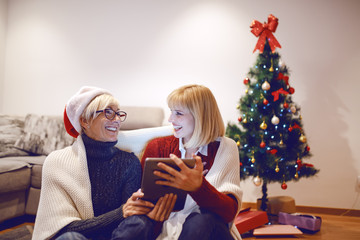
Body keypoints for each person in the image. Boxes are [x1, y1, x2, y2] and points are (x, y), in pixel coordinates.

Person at [32, 86, 176, 240]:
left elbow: (131, 219)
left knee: (139, 224)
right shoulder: (56, 162)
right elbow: (61, 230)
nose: (117, 120)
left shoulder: (128, 163)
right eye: (108, 112)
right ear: (85, 120)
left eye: (119, 114)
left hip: (116, 236)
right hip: (77, 237)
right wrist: (119, 213)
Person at [141, 84, 243, 240]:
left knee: (201, 220)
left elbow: (228, 213)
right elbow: (142, 203)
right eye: (171, 112)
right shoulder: (157, 147)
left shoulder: (225, 147)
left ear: (200, 116)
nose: (170, 119)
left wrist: (198, 187)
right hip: (164, 231)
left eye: (179, 113)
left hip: (209, 230)